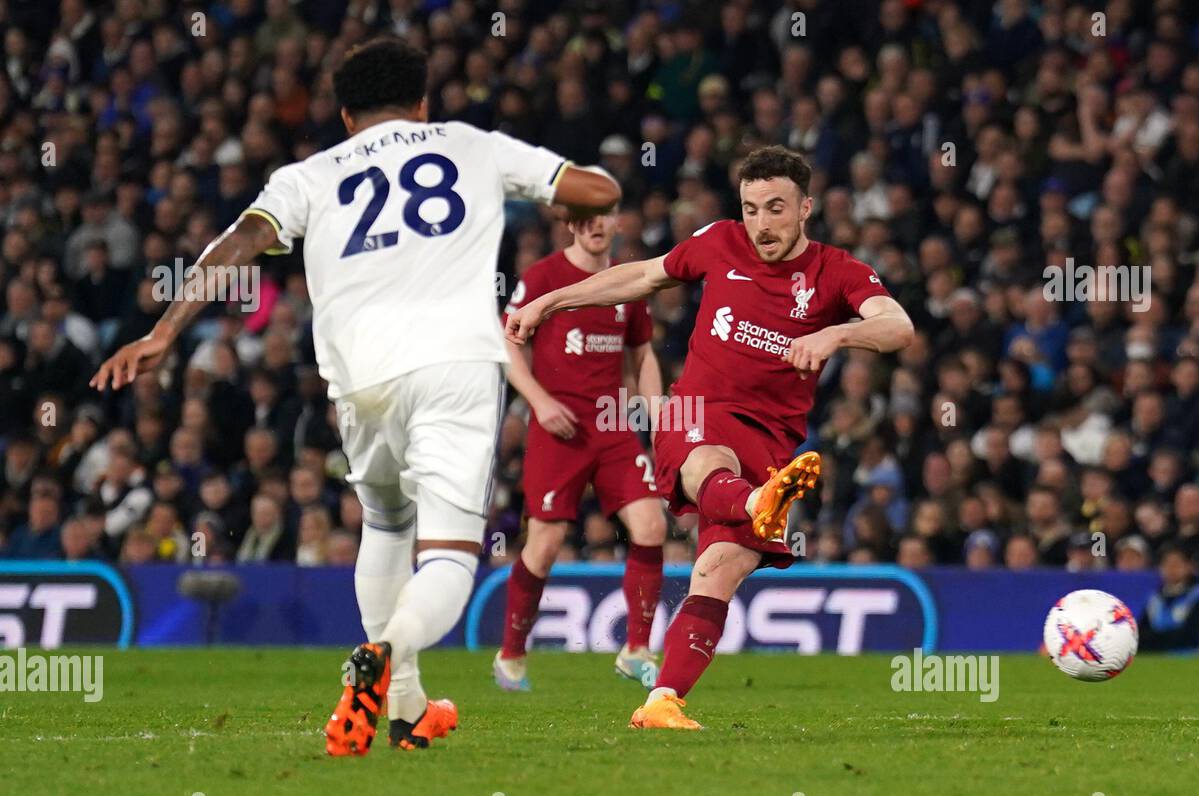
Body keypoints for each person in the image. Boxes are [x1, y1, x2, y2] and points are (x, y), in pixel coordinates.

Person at [90, 38, 621, 756]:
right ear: (424, 103)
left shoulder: (307, 174)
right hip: (455, 366)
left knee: (385, 522)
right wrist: (558, 190)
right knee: (450, 558)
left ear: (345, 115)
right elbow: (597, 191)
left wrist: (163, 332)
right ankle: (384, 656)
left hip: (359, 379)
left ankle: (404, 710)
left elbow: (238, 243)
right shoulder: (471, 144)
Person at [508, 145, 913, 729]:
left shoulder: (836, 272)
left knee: (720, 570)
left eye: (776, 208)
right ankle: (755, 500)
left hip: (771, 440)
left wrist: (835, 338)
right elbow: (643, 275)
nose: (761, 223)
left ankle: (661, 702)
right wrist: (552, 301)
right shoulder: (719, 242)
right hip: (694, 413)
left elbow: (898, 325)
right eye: (751, 208)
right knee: (707, 461)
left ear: (806, 209)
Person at [494, 210, 667, 692]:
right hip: (559, 428)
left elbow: (643, 354)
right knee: (545, 546)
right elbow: (507, 346)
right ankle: (510, 656)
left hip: (612, 425)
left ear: (617, 223)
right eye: (586, 218)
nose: (596, 226)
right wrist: (539, 401)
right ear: (570, 224)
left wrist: (656, 414)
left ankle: (636, 650)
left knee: (651, 525)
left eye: (606, 217)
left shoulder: (628, 281)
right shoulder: (543, 277)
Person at [1137, 542, 1199, 651]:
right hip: (1159, 659)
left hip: (1193, 658)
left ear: (1189, 566)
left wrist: (1155, 639)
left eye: (1176, 564)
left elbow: (1191, 635)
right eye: (1166, 564)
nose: (1171, 569)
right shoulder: (1153, 600)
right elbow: (1142, 634)